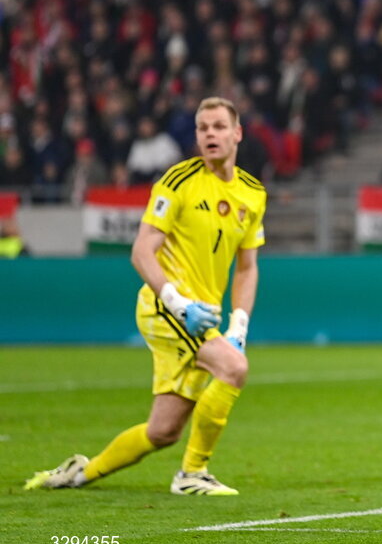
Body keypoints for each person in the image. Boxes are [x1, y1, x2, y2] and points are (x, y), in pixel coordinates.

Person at [25, 97, 267, 495]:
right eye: (203, 128)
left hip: (203, 314)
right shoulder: (178, 181)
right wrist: (177, 302)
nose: (211, 134)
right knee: (234, 369)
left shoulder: (253, 194)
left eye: (219, 127)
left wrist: (239, 324)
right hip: (166, 307)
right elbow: (141, 250)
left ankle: (80, 473)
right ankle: (192, 474)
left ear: (237, 133)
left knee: (163, 431)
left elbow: (247, 266)